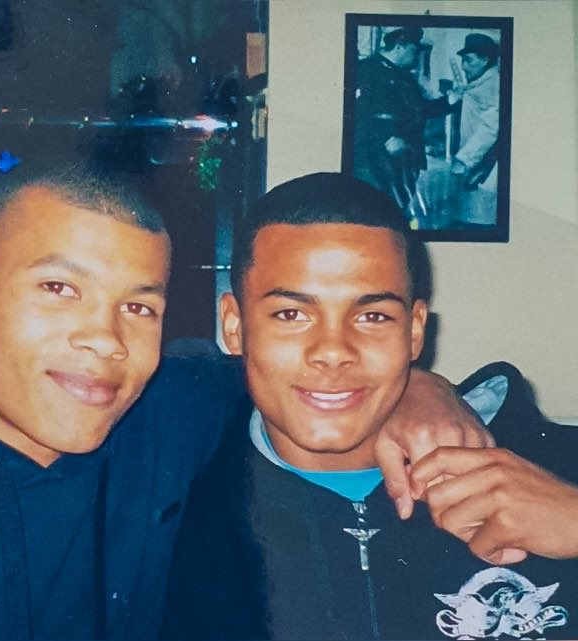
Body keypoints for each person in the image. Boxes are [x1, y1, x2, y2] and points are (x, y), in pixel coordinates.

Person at [0, 165, 493, 640]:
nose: (105, 339)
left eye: (138, 307)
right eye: (58, 289)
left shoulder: (163, 416)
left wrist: (417, 387)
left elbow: (292, 371)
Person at [160, 172, 578, 640]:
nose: (334, 350)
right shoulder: (169, 515)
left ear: (415, 331)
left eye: (373, 316)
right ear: (234, 326)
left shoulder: (552, 476)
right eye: (291, 314)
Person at [354, 27, 449, 212]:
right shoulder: (366, 70)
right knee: (376, 211)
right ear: (400, 45)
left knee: (398, 210)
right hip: (377, 158)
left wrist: (450, 101)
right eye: (414, 49)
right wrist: (386, 137)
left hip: (407, 159)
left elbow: (421, 109)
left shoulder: (406, 78)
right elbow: (358, 112)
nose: (417, 56)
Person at [450, 33, 500, 225]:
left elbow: (491, 127)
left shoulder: (493, 84)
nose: (463, 67)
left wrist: (464, 160)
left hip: (481, 164)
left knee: (480, 219)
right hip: (471, 163)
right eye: (463, 60)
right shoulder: (480, 83)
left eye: (469, 60)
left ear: (485, 60)